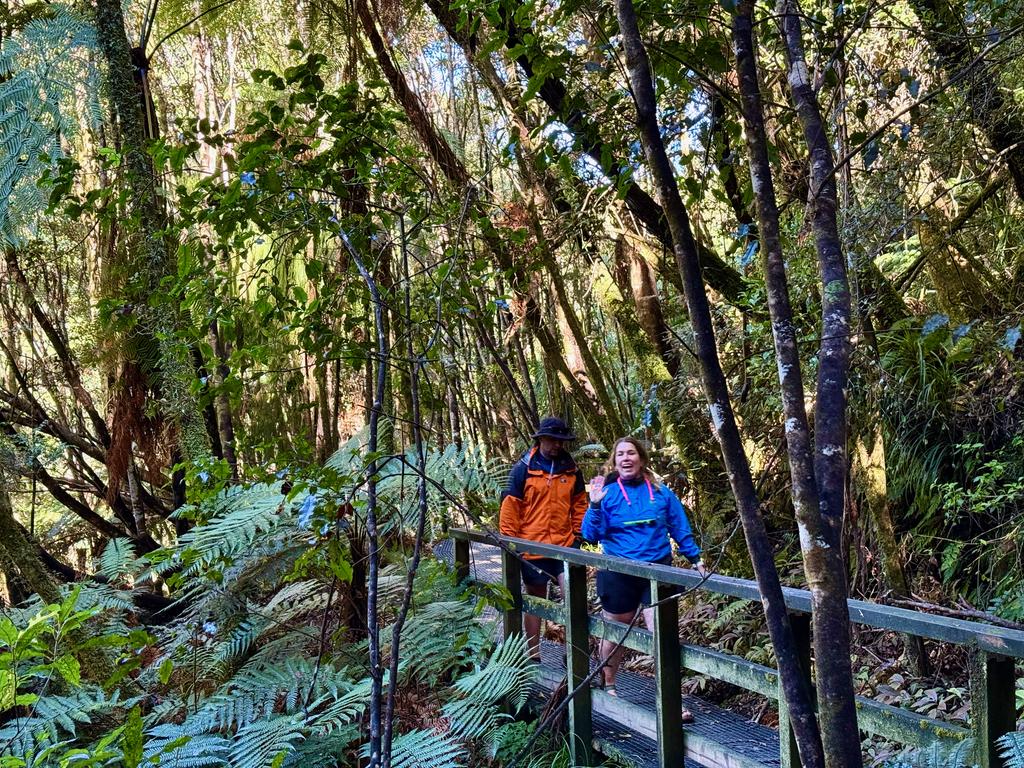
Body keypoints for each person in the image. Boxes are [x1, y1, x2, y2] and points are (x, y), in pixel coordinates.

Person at [581, 436, 705, 721]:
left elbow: (679, 526)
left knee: (662, 633)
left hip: (657, 570)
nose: (626, 458)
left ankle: (670, 700)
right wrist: (595, 506)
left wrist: (696, 558)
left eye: (631, 453)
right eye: (620, 454)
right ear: (614, 461)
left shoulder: (661, 492)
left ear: (641, 458)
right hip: (619, 572)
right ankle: (609, 686)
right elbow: (589, 534)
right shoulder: (607, 493)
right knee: (616, 632)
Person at [499, 416, 588, 662]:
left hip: (563, 545)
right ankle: (533, 654)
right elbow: (510, 507)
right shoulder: (523, 468)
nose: (557, 445)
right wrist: (511, 544)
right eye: (552, 440)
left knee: (572, 596)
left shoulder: (572, 470)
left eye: (561, 441)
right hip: (532, 546)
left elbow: (579, 504)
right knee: (535, 600)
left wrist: (577, 536)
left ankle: (573, 653)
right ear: (541, 439)